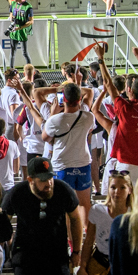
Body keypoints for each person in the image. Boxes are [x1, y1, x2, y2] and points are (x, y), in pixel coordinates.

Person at [95, 43, 138, 183]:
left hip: (125, 164)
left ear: (129, 91)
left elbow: (109, 84)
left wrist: (101, 59)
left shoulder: (124, 108)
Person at [43, 83, 95, 220]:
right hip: (83, 163)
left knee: (64, 205)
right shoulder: (89, 117)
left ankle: (68, 238)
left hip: (62, 165)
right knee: (85, 203)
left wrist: (53, 113)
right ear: (79, 100)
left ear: (63, 99)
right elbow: (89, 91)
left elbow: (46, 138)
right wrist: (74, 88)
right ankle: (87, 235)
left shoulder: (54, 120)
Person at [7, 0, 34, 67]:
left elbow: (31, 21)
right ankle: (11, 70)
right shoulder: (13, 4)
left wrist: (20, 27)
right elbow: (11, 13)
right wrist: (11, 18)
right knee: (12, 52)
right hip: (13, 30)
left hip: (22, 31)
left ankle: (29, 70)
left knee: (24, 52)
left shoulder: (28, 6)